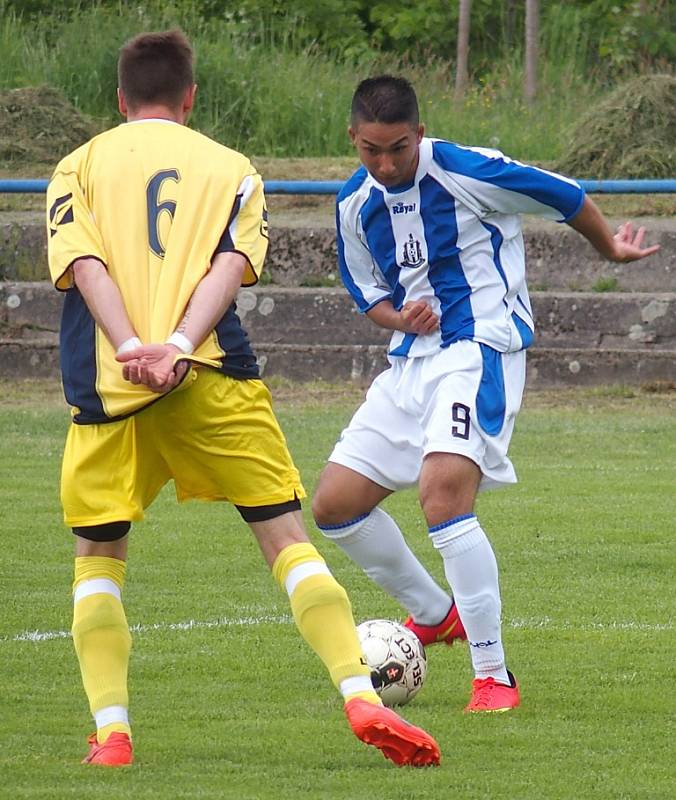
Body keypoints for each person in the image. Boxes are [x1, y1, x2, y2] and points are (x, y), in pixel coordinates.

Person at [46, 37, 440, 768]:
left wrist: (135, 345)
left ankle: (113, 734)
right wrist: (177, 345)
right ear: (191, 97)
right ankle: (359, 693)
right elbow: (230, 265)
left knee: (98, 559)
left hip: (110, 387)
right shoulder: (232, 168)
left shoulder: (78, 166)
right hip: (213, 376)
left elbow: (84, 264)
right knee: (287, 542)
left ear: (121, 99)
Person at [312, 75, 660, 713]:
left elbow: (563, 195)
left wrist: (608, 245)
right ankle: (433, 614)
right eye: (370, 150)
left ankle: (492, 676)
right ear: (352, 140)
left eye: (397, 148)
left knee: (442, 493)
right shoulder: (353, 204)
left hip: (479, 349)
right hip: (409, 363)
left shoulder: (468, 170)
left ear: (420, 132)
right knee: (335, 505)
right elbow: (370, 296)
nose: (385, 164)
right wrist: (400, 319)